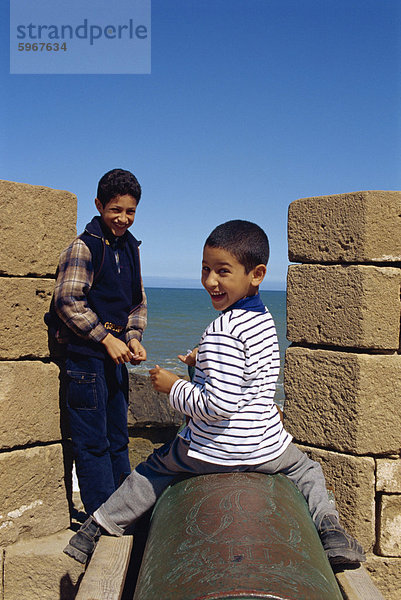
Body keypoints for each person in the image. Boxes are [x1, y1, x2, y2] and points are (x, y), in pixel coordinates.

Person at [64, 219, 365, 567]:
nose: (210, 281)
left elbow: (217, 405)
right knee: (309, 470)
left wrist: (173, 386)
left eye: (222, 271)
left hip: (212, 451)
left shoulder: (222, 330)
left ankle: (96, 529)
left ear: (256, 273)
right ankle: (331, 530)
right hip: (266, 448)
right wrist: (202, 360)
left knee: (151, 471)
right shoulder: (263, 318)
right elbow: (252, 371)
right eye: (206, 269)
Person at [50, 168, 147, 517]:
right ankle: (101, 519)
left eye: (130, 211)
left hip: (115, 360)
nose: (123, 219)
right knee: (92, 444)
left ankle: (124, 512)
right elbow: (67, 300)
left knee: (118, 440)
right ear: (99, 206)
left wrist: (133, 338)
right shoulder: (85, 246)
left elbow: (136, 302)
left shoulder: (130, 248)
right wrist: (106, 339)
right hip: (87, 361)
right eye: (115, 210)